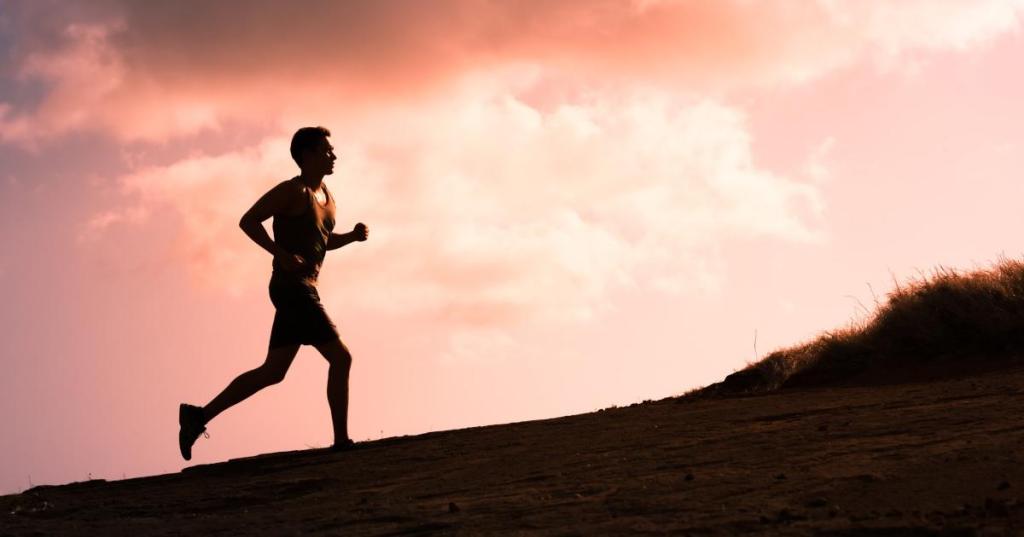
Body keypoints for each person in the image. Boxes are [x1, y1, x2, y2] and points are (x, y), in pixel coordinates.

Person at [178, 126, 369, 461]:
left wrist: (350, 237)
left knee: (273, 371)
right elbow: (249, 221)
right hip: (292, 288)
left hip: (302, 288)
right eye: (327, 150)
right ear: (306, 155)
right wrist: (279, 253)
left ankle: (198, 416)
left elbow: (323, 241)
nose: (333, 155)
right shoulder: (291, 191)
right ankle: (341, 443)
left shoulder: (328, 196)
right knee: (341, 358)